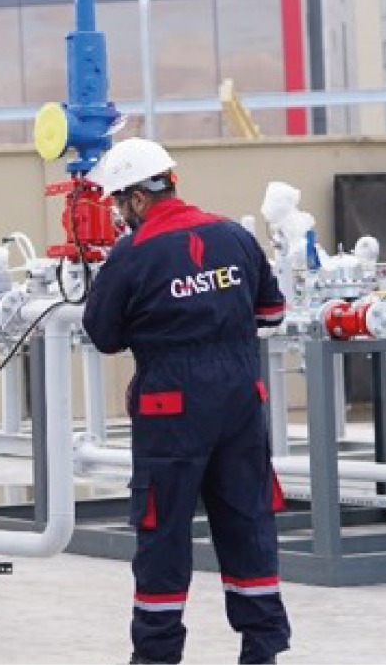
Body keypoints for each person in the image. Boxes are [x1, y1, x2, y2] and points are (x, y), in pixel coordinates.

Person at [81, 138, 291, 665]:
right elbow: (271, 312)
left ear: (136, 198)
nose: (119, 215)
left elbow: (103, 335)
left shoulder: (132, 254)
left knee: (164, 530)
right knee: (247, 520)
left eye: (119, 203)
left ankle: (157, 655)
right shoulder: (234, 235)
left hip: (170, 408)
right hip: (240, 402)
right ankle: (262, 647)